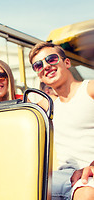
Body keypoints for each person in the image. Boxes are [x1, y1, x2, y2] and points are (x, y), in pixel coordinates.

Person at [29, 41, 94, 200]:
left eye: (51, 59)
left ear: (67, 62)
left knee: (85, 193)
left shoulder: (89, 89)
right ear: (39, 75)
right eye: (38, 65)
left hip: (89, 174)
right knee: (21, 187)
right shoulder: (48, 104)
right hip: (61, 176)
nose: (45, 66)